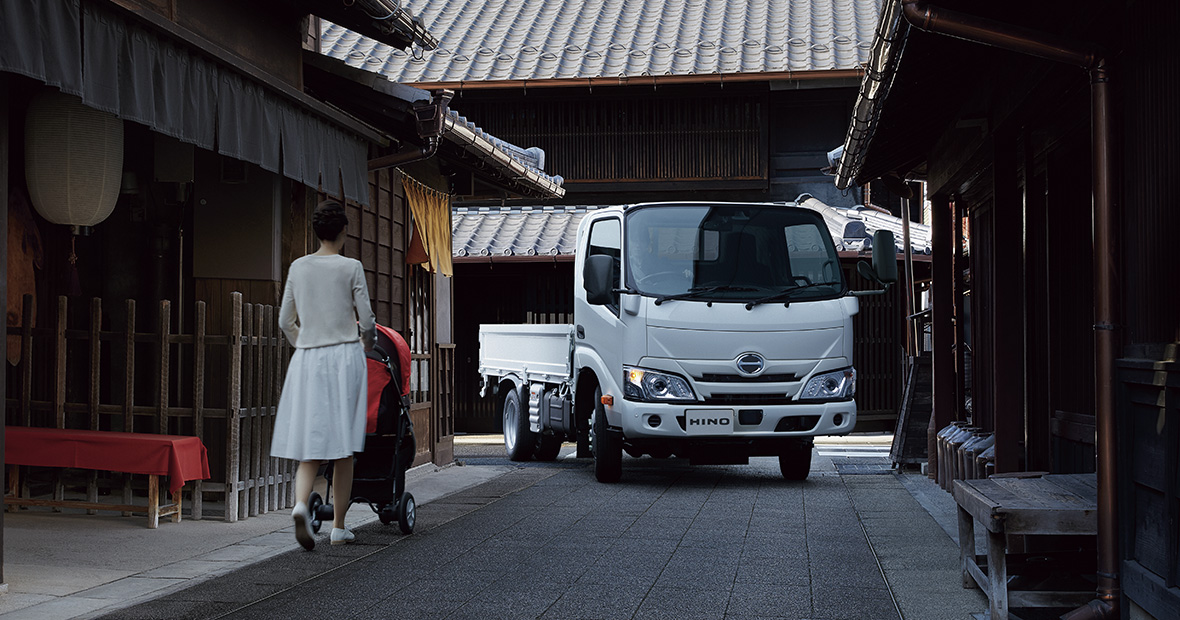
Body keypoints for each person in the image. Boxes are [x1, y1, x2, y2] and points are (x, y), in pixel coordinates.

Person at [271, 200, 376, 550]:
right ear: (343, 231)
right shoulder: (352, 267)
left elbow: (285, 321)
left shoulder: (299, 267)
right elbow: (369, 320)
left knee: (310, 441)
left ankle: (301, 505)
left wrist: (307, 344)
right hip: (345, 356)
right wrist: (364, 344)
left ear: (317, 231)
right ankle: (339, 527)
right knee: (343, 446)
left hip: (308, 359)